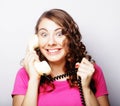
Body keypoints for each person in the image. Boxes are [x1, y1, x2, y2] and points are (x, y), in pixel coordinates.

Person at [11, 8, 110, 106]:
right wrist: (34, 79)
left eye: (59, 34)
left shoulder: (90, 71)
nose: (51, 42)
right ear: (37, 40)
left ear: (70, 38)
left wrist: (86, 88)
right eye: (44, 34)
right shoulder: (24, 75)